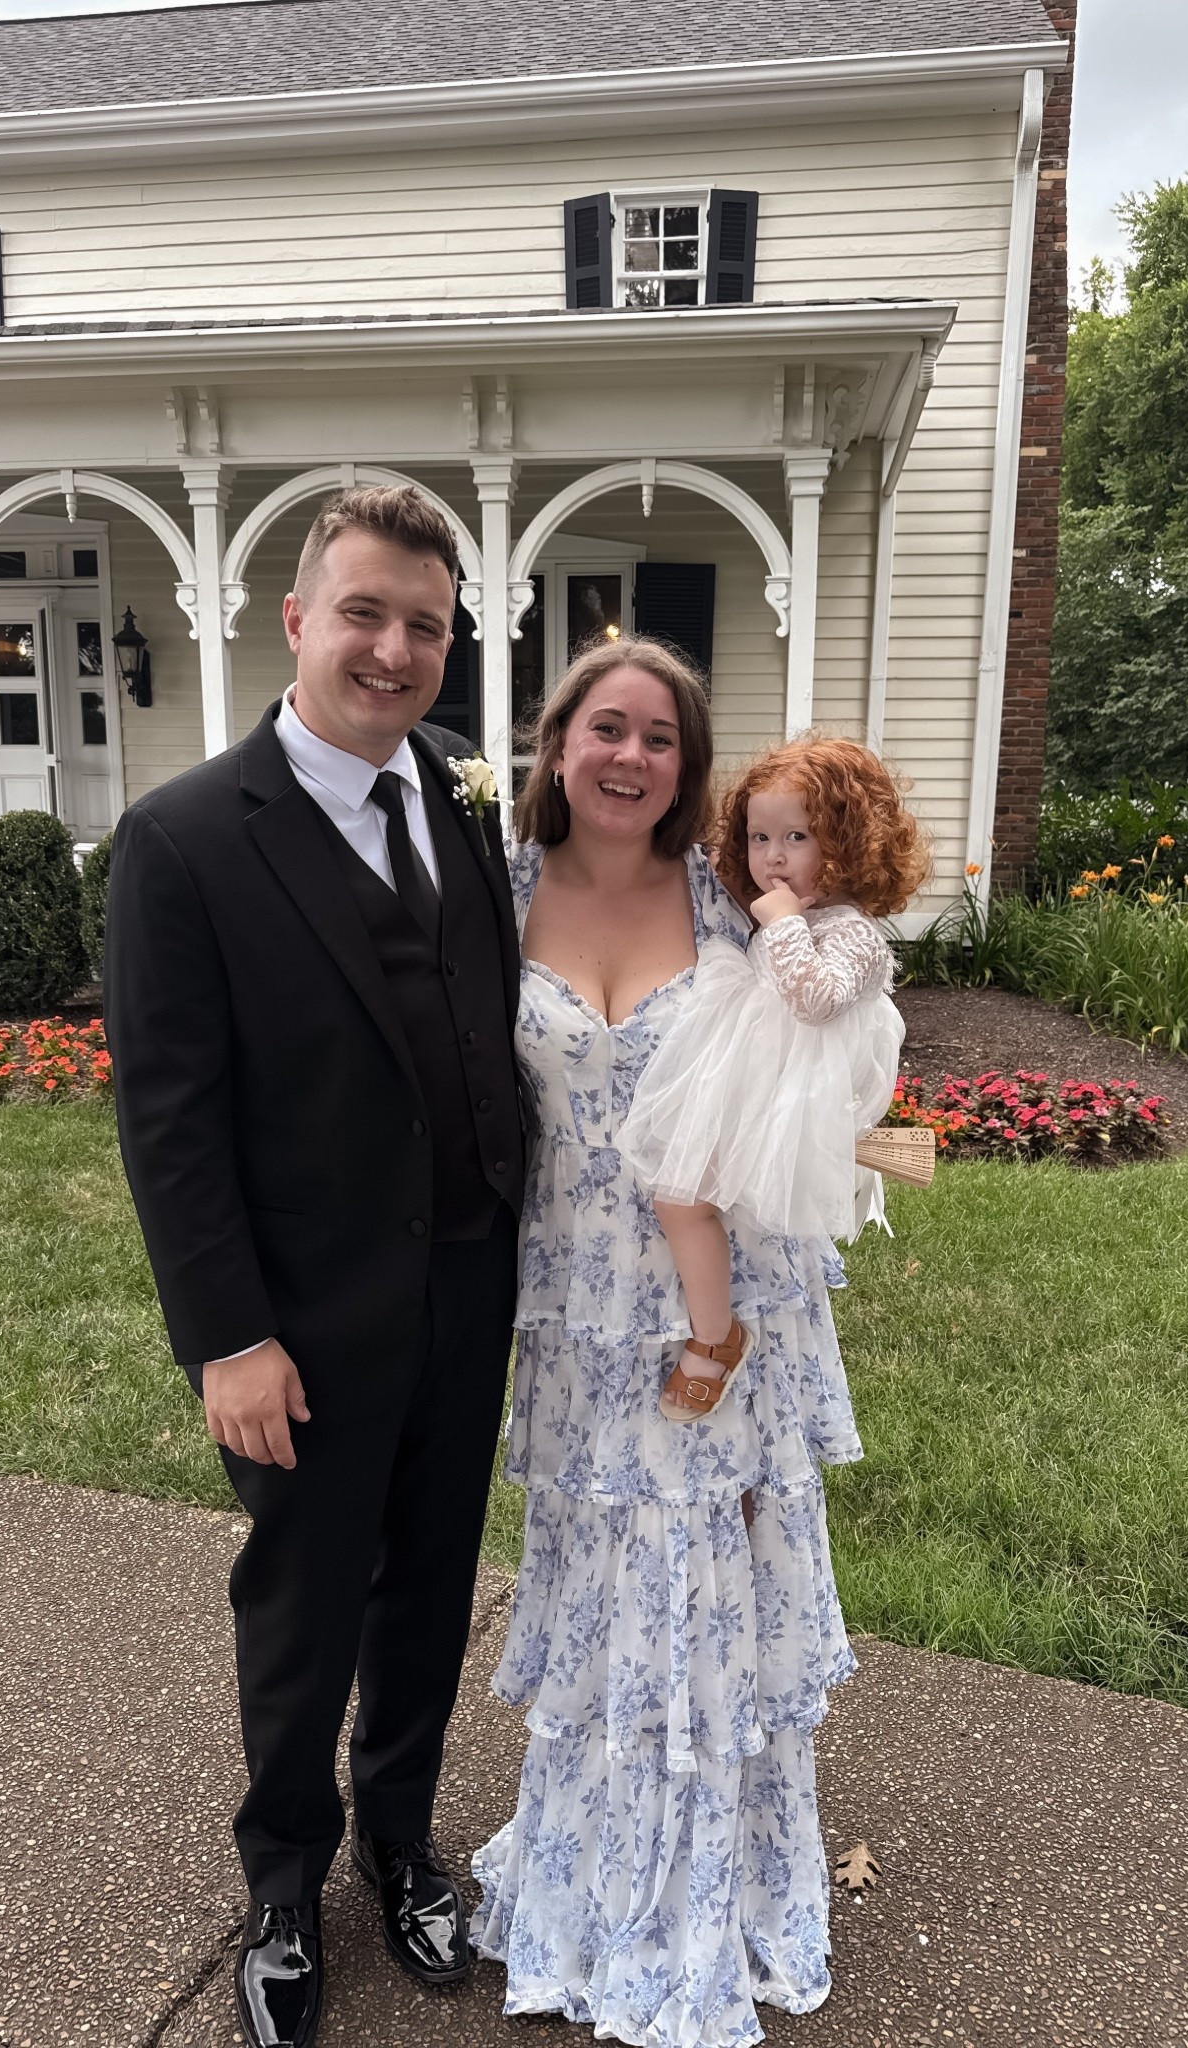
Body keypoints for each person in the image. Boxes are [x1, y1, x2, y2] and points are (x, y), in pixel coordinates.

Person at [104, 486, 525, 2048]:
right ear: (297, 621)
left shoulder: (464, 807)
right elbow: (171, 1120)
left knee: (427, 1590)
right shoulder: (186, 840)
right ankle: (282, 1885)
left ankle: (397, 1841)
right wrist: (228, 1340)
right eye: (365, 612)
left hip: (467, 1293)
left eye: (425, 623)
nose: (395, 647)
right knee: (302, 1602)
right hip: (302, 1324)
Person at [471, 644, 862, 2046]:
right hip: (575, 1295)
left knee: (708, 1569)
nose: (631, 756)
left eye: (662, 740)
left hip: (724, 1299)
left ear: (689, 770)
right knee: (605, 1576)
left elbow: (833, 1045)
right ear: (559, 742)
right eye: (606, 728)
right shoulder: (492, 897)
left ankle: (718, 1889)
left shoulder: (739, 902)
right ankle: (594, 1873)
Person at [622, 734, 928, 1424]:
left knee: (682, 1198)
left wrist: (785, 923)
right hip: (751, 1094)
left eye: (798, 836)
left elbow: (814, 999)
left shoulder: (853, 932)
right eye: (760, 837)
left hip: (788, 1108)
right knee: (678, 1197)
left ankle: (714, 1339)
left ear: (850, 843)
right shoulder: (794, 917)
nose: (774, 857)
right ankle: (716, 1332)